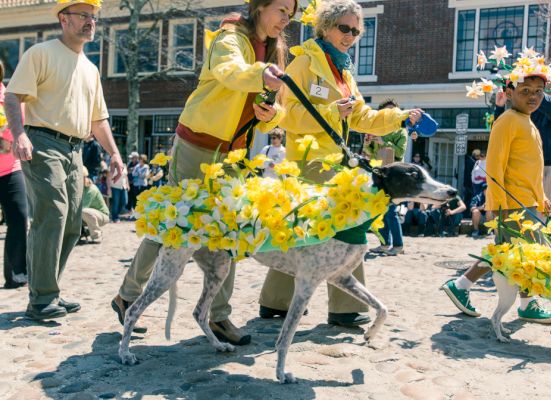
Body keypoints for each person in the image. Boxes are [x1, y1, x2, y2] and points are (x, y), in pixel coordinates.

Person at [111, 0, 296, 343]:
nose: (286, 19)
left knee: (230, 230)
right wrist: (259, 74)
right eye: (281, 9)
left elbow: (281, 107)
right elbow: (229, 71)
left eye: (291, 13)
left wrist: (272, 115)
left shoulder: (275, 51)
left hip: (234, 154)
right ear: (260, 6)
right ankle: (128, 295)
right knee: (175, 225)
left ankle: (218, 316)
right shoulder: (230, 36)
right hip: (197, 145)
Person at [258, 0, 423, 327]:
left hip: (335, 162)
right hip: (307, 162)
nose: (351, 35)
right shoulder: (303, 64)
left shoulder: (343, 70)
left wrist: (400, 117)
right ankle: (340, 306)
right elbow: (287, 116)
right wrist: (334, 113)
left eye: (356, 31)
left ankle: (282, 303)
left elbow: (361, 116)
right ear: (325, 26)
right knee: (332, 227)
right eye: (344, 28)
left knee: (307, 229)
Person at [4, 0, 124, 320]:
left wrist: (114, 154)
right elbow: (13, 97)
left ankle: (49, 291)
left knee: (72, 222)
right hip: (42, 142)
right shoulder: (40, 53)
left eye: (93, 17)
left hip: (75, 150)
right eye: (83, 15)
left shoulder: (91, 68)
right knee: (52, 214)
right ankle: (41, 297)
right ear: (63, 19)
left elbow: (99, 120)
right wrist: (19, 135)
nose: (90, 22)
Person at [442, 74, 551, 323]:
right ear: (510, 92)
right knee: (512, 254)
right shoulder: (507, 121)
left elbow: (530, 168)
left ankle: (523, 302)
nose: (533, 96)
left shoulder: (527, 121)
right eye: (525, 91)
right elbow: (494, 167)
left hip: (527, 202)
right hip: (512, 204)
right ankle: (464, 285)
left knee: (519, 254)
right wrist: (495, 205)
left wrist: (542, 196)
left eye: (538, 91)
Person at [494, 87, 551, 202]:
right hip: (517, 165)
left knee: (538, 214)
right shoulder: (522, 108)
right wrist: (499, 107)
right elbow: (501, 133)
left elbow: (549, 103)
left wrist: (530, 87)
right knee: (512, 213)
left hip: (545, 167)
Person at [365, 99, 408, 256]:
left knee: (390, 211)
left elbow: (399, 153)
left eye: (393, 110)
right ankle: (384, 244)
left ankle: (398, 245)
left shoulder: (401, 131)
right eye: (386, 111)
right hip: (378, 172)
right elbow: (369, 152)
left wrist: (383, 141)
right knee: (380, 210)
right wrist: (367, 142)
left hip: (394, 175)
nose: (390, 114)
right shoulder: (377, 129)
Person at [0, 59, 28, 289]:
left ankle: (16, 273)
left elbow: (22, 127)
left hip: (10, 168)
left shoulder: (10, 95)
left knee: (19, 217)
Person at [81, 166, 109, 243]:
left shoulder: (91, 189)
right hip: (90, 215)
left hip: (103, 216)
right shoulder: (80, 188)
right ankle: (83, 232)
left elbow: (82, 207)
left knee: (83, 211)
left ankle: (97, 236)